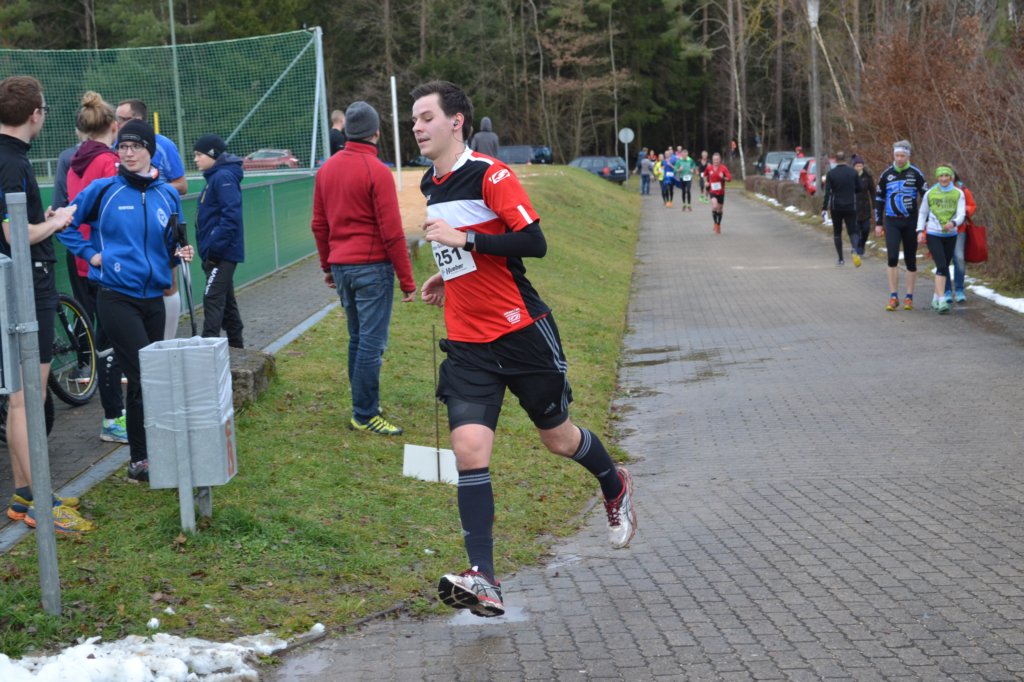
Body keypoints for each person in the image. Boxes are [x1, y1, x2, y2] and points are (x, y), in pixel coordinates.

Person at [411, 79, 637, 619]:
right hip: (467, 342)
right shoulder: (429, 183)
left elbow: (533, 243)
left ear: (456, 122)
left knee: (558, 439)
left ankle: (614, 483)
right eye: (414, 120)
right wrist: (450, 273)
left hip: (521, 333)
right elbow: (465, 245)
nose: (416, 127)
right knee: (469, 449)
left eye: (425, 117)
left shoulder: (493, 175)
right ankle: (483, 579)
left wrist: (466, 242)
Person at [58, 119, 194, 484]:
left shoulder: (167, 194)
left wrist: (181, 252)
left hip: (154, 297)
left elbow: (171, 243)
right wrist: (91, 254)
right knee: (143, 373)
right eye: (123, 147)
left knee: (142, 379)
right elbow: (64, 224)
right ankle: (144, 457)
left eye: (136, 147)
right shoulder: (105, 190)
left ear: (151, 151)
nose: (128, 153)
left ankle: (142, 459)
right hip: (116, 296)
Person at [0, 76, 94, 533]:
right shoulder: (12, 162)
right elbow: (13, 233)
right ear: (35, 114)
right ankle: (41, 502)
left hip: (17, 283)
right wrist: (57, 223)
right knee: (26, 400)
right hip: (24, 283)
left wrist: (46, 219)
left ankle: (25, 495)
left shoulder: (9, 156)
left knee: (23, 399)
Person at [311, 101, 415, 436]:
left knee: (357, 339)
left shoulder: (326, 169)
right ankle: (365, 413)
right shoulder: (377, 171)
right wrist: (407, 280)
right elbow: (392, 231)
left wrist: (328, 265)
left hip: (342, 267)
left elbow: (319, 224)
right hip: (372, 269)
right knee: (371, 343)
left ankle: (363, 405)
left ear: (346, 131)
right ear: (376, 133)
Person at [65, 91, 128, 444]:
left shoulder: (74, 161)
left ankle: (115, 413)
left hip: (83, 260)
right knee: (110, 341)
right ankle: (113, 418)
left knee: (102, 337)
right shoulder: (107, 162)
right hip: (104, 262)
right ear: (114, 126)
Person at [116, 99, 187, 339]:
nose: (117, 124)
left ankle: (167, 342)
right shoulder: (115, 146)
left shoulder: (164, 145)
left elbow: (182, 184)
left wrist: (152, 189)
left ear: (137, 119)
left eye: (122, 119)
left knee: (167, 283)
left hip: (159, 224)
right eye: (116, 119)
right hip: (128, 227)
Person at [193, 134, 245, 347]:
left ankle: (208, 350)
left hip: (222, 254)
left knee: (212, 298)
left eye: (199, 154)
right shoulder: (216, 177)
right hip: (217, 253)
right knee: (227, 304)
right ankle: (237, 350)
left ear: (212, 154)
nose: (195, 159)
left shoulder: (223, 177)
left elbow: (231, 216)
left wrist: (214, 250)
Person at [874, 140, 927, 311]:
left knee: (911, 260)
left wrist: (925, 222)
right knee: (892, 257)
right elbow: (879, 199)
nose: (899, 159)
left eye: (902, 155)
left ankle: (909, 296)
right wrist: (878, 223)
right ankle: (893, 296)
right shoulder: (886, 174)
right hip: (892, 221)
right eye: (897, 155)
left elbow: (927, 197)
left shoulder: (916, 173)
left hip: (911, 220)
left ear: (908, 156)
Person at [916, 165, 965, 314]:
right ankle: (942, 299)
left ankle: (935, 298)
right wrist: (920, 231)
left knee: (943, 267)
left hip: (951, 234)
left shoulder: (958, 193)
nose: (943, 179)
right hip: (933, 233)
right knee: (942, 265)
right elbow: (922, 213)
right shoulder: (930, 193)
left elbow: (961, 214)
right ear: (937, 177)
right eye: (941, 176)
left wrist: (954, 223)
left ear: (951, 177)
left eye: (946, 176)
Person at [820, 151, 862, 267]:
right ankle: (854, 249)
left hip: (836, 207)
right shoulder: (853, 172)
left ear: (836, 160)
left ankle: (841, 259)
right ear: (845, 159)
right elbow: (860, 188)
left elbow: (827, 192)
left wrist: (824, 208)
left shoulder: (831, 174)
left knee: (837, 232)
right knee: (853, 230)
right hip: (850, 205)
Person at [944, 172, 977, 304]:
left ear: (954, 176)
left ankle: (959, 289)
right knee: (944, 260)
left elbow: (972, 205)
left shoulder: (963, 190)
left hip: (959, 230)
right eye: (943, 175)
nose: (946, 178)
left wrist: (964, 211)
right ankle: (946, 290)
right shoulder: (936, 190)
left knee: (959, 258)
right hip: (942, 231)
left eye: (949, 175)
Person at [851, 155, 874, 261]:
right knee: (856, 230)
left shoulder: (867, 176)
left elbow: (872, 191)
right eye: (857, 166)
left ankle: (862, 244)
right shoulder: (850, 176)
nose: (859, 168)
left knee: (865, 229)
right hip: (853, 207)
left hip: (865, 207)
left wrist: (875, 205)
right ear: (854, 166)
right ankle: (857, 248)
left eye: (860, 165)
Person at [703, 152, 732, 233]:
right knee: (715, 206)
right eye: (714, 159)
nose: (716, 161)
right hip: (712, 191)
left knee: (720, 209)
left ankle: (718, 224)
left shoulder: (723, 168)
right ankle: (715, 223)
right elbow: (705, 175)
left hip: (721, 192)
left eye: (717, 159)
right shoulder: (709, 168)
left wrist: (723, 178)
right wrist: (706, 182)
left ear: (720, 160)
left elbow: (729, 179)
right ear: (712, 160)